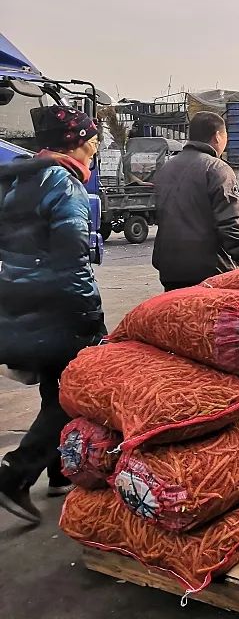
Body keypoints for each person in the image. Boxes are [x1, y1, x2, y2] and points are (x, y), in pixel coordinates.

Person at [0, 105, 106, 524]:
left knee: (55, 384)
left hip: (20, 296)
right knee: (76, 391)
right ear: (74, 143)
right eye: (93, 142)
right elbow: (71, 257)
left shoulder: (19, 180)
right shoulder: (63, 182)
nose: (95, 151)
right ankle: (15, 473)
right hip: (59, 302)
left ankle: (60, 472)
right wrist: (90, 318)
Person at [152, 111, 239, 291]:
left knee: (178, 316)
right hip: (209, 273)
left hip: (170, 270)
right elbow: (230, 222)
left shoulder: (167, 168)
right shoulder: (218, 169)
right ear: (217, 136)